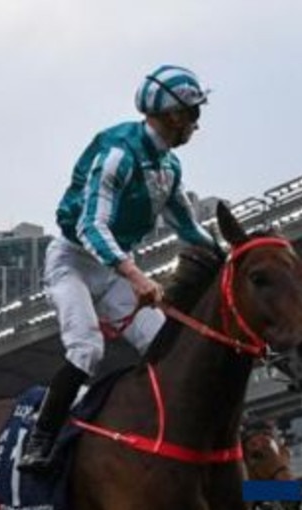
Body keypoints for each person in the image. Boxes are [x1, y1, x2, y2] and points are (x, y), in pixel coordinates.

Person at [18, 64, 225, 471]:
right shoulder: (118, 153)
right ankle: (39, 442)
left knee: (164, 344)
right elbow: (90, 226)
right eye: (194, 115)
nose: (197, 127)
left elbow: (186, 225)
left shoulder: (169, 167)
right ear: (173, 115)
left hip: (112, 271)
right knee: (87, 349)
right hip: (73, 264)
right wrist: (137, 276)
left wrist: (227, 253)